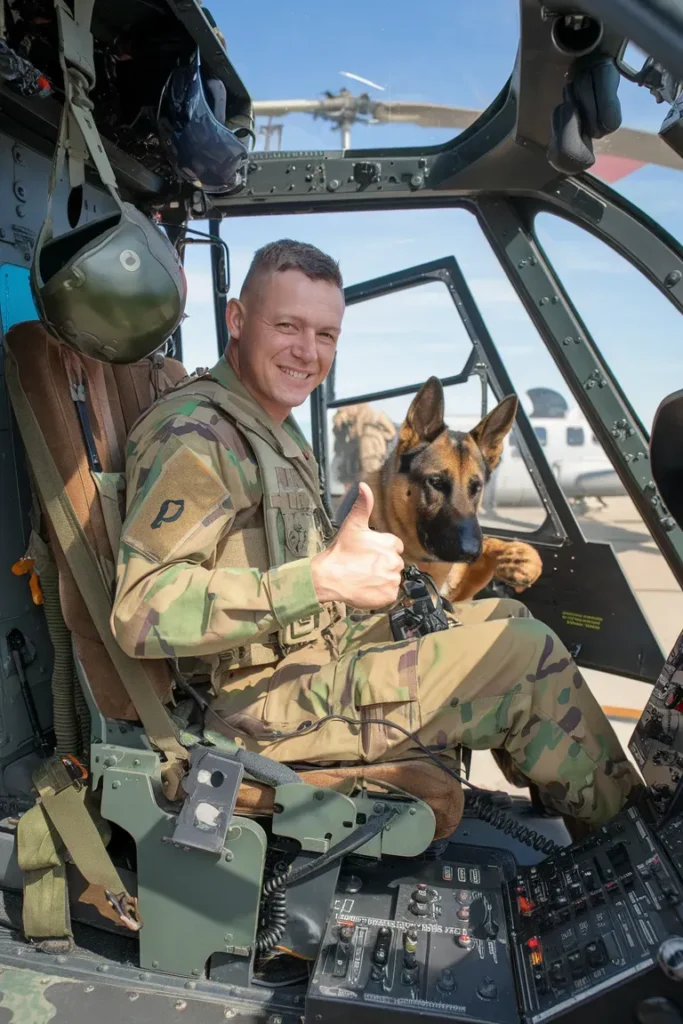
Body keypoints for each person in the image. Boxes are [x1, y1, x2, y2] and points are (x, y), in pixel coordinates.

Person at [111, 238, 642, 833]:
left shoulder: (273, 434)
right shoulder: (199, 437)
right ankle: (630, 845)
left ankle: (581, 809)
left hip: (307, 657)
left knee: (506, 624)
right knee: (525, 661)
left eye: (325, 335)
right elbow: (140, 610)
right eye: (287, 325)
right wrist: (317, 579)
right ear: (237, 320)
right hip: (253, 705)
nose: (306, 352)